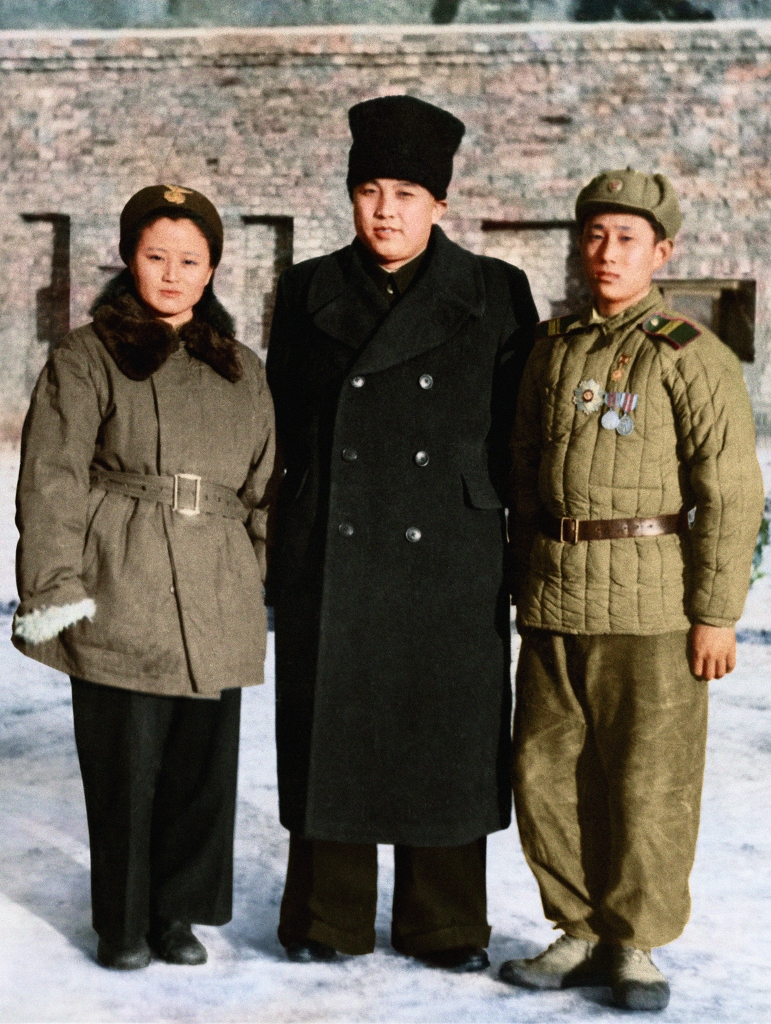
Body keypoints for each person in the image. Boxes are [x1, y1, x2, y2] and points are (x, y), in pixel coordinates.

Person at [266, 95, 538, 970]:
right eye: (371, 190)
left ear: (441, 205)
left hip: (450, 551)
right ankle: (326, 917)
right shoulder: (306, 288)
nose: (386, 210)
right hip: (334, 551)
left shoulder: (495, 291)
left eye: (408, 194)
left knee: (446, 733)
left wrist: (511, 543)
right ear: (350, 197)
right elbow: (282, 421)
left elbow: (519, 435)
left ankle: (445, 922)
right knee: (329, 726)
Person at [502, 168, 764, 1010]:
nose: (606, 252)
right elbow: (520, 475)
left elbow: (730, 492)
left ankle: (635, 945)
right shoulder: (550, 350)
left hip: (651, 608)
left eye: (626, 238)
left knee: (647, 782)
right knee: (545, 775)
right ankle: (576, 930)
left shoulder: (691, 357)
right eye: (594, 235)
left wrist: (716, 614)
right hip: (553, 598)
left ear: (662, 251)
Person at [12, 185, 276, 970]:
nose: (171, 273)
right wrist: (55, 593)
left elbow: (264, 485)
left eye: (189, 260)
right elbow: (51, 480)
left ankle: (177, 917)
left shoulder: (240, 368)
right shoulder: (87, 355)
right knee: (127, 769)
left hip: (216, 585)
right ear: (130, 258)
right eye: (156, 255)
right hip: (119, 580)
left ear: (212, 269)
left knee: (200, 768)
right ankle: (122, 925)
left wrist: (246, 574)